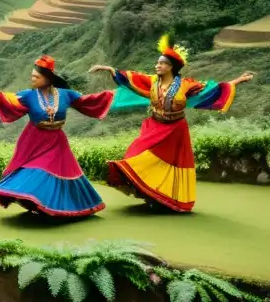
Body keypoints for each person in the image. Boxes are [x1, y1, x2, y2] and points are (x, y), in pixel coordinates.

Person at [90, 34, 255, 212]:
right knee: (135, 154)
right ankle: (146, 190)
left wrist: (238, 80)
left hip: (176, 129)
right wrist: (108, 68)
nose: (157, 65)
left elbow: (211, 89)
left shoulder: (186, 85)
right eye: (158, 63)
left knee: (172, 165)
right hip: (155, 126)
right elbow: (129, 78)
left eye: (162, 63)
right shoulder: (152, 81)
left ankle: (165, 198)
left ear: (171, 67)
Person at [0, 56, 113, 217]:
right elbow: (8, 100)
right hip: (34, 140)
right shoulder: (28, 95)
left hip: (57, 141)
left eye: (37, 76)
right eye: (32, 76)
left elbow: (89, 101)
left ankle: (60, 207)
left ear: (48, 79)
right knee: (38, 170)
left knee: (57, 172)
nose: (32, 79)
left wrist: (115, 94)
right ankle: (34, 202)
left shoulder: (66, 95)